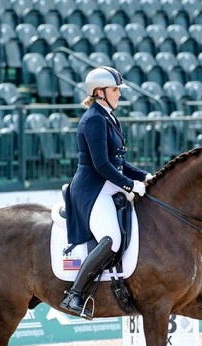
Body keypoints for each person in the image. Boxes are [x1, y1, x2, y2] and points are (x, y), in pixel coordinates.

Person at [60, 66, 154, 318]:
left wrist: (143, 176)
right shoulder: (93, 119)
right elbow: (102, 165)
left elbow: (119, 162)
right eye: (115, 90)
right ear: (99, 92)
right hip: (92, 190)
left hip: (107, 185)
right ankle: (75, 295)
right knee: (111, 238)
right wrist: (130, 185)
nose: (119, 95)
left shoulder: (108, 117)